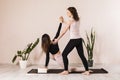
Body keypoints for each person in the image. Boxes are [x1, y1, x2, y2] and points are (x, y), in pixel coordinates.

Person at [53, 7, 90, 75]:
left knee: (64, 54)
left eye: (68, 12)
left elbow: (64, 31)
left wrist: (57, 39)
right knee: (82, 55)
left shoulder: (70, 20)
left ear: (71, 12)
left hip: (73, 40)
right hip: (79, 39)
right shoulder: (78, 18)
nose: (67, 14)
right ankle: (87, 71)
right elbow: (70, 24)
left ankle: (66, 71)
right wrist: (63, 21)